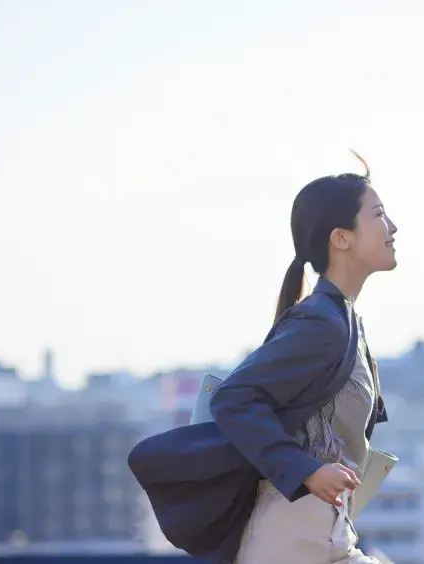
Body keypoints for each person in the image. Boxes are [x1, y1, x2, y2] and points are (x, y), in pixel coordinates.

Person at [127, 152, 398, 564]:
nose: (392, 227)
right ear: (340, 238)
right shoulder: (322, 322)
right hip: (291, 541)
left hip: (324, 536)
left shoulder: (344, 321)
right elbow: (235, 398)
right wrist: (306, 470)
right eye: (378, 215)